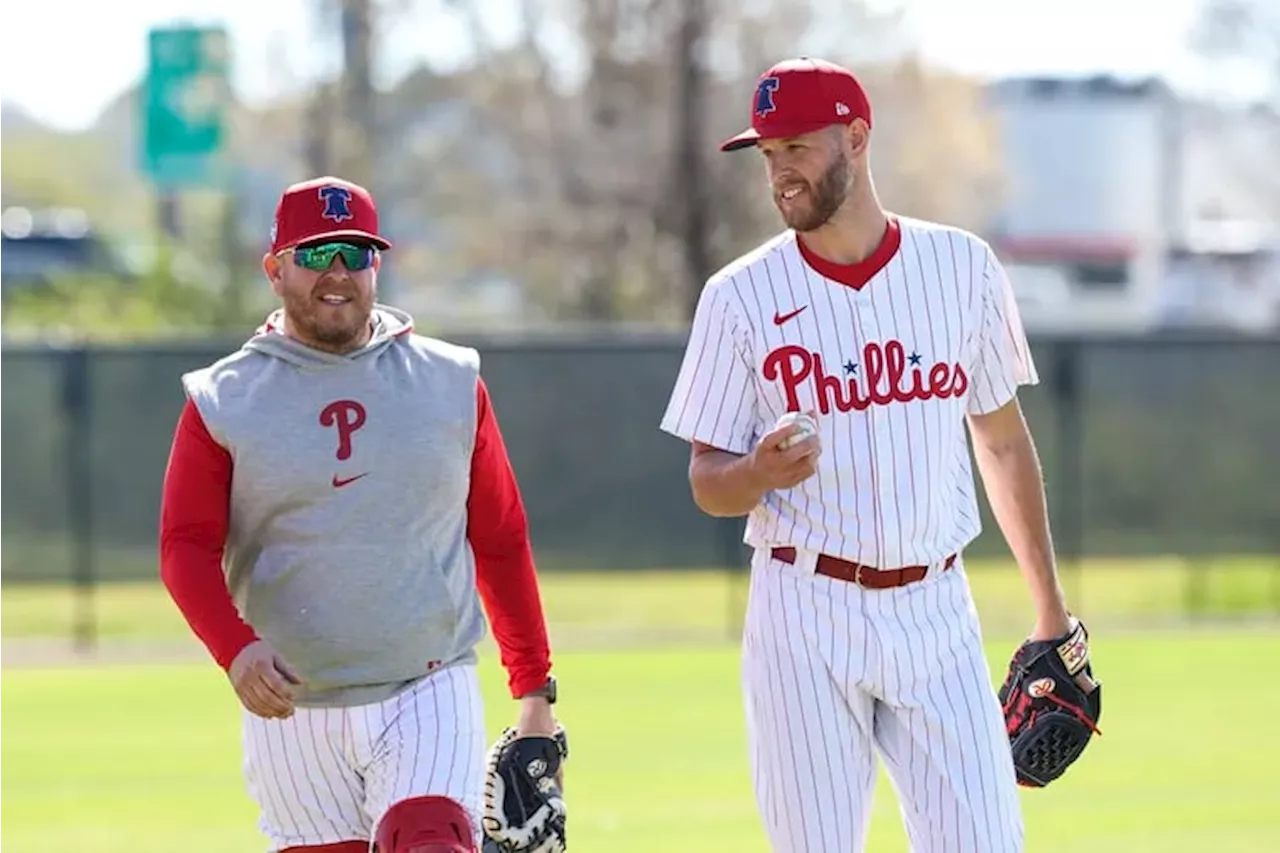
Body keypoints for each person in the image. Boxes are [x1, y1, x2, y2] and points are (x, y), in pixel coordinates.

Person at [659, 57, 1088, 852]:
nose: (780, 171)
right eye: (768, 154)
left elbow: (999, 439)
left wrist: (1050, 611)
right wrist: (753, 474)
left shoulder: (960, 269)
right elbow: (706, 482)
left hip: (937, 606)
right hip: (803, 608)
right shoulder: (737, 297)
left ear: (855, 137)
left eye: (796, 147)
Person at [158, 176, 560, 853]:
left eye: (357, 253)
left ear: (379, 264)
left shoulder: (450, 379)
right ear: (275, 268)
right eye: (316, 255)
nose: (338, 272)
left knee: (430, 837)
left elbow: (499, 536)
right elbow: (184, 547)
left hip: (425, 682)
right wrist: (235, 649)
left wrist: (534, 689)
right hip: (291, 701)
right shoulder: (223, 398)